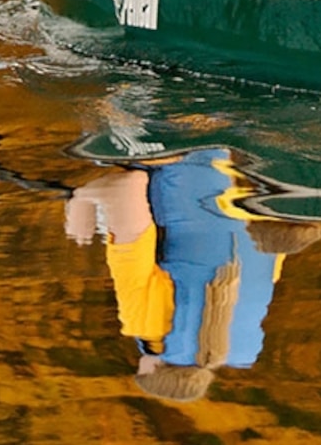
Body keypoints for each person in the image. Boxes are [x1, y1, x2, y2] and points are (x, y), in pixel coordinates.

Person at [62, 149, 302, 402]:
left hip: (252, 155)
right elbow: (128, 186)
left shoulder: (258, 295)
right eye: (141, 362)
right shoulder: (149, 328)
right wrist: (82, 199)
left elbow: (276, 218)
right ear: (154, 365)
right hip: (177, 151)